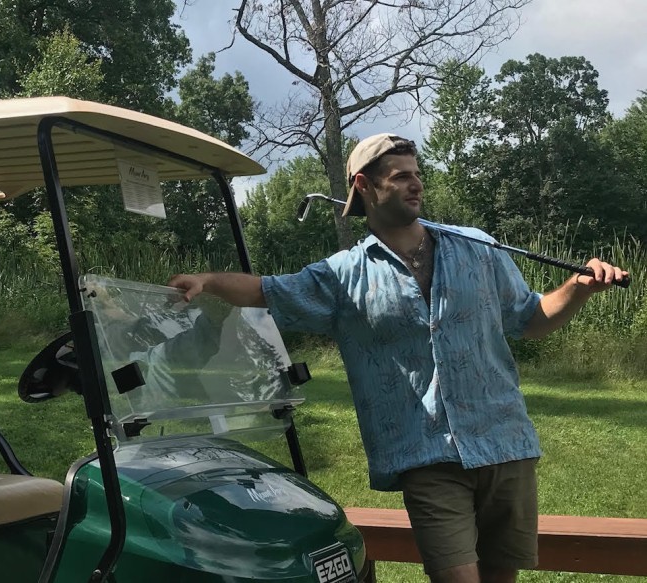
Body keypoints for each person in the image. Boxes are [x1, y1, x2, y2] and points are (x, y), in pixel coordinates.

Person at [168, 133, 628, 583]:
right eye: (401, 176)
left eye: (417, 174)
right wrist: (207, 281)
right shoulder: (343, 274)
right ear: (364, 187)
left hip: (503, 442)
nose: (416, 184)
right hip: (424, 455)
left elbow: (531, 318)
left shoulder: (477, 246)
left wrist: (578, 287)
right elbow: (267, 289)